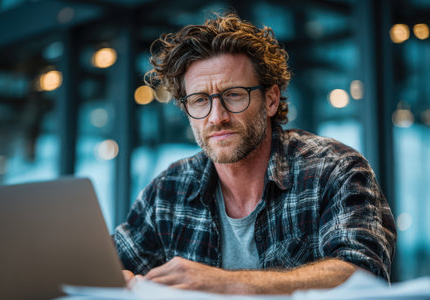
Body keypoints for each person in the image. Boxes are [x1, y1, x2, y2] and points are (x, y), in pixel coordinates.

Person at [114, 13, 396, 295]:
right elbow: (107, 268)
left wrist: (223, 283)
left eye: (234, 94)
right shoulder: (169, 190)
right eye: (200, 100)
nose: (216, 117)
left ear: (271, 100)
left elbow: (363, 277)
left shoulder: (334, 170)